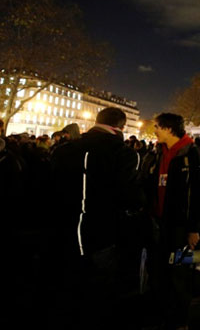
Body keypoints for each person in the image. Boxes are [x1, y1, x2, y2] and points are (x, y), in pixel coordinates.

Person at [49, 107, 144, 329]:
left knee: (67, 285)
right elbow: (129, 196)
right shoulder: (124, 153)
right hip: (103, 230)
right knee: (100, 291)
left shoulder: (64, 150)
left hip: (64, 228)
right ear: (120, 127)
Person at [141, 113, 200, 330]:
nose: (155, 130)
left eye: (157, 127)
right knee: (158, 271)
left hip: (181, 227)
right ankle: (162, 314)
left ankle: (180, 320)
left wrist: (193, 229)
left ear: (169, 129)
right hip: (158, 224)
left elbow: (198, 194)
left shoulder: (193, 154)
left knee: (180, 273)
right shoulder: (157, 153)